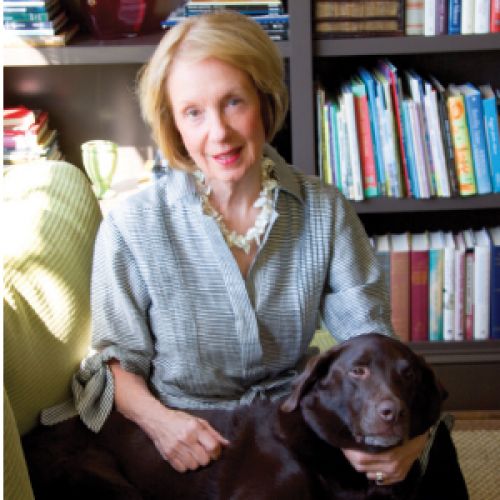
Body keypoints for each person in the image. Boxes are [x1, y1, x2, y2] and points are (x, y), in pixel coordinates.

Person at [48, 10, 430, 486]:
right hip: (187, 432)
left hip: (287, 422)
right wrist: (161, 423)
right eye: (194, 112)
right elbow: (116, 363)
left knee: (423, 460)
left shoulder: (324, 210)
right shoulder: (132, 226)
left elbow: (371, 340)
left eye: (233, 102)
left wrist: (411, 438)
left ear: (265, 102)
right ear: (174, 124)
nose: (219, 133)